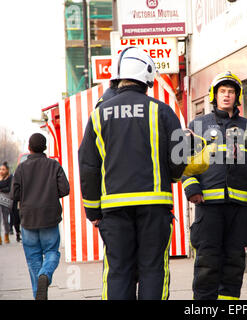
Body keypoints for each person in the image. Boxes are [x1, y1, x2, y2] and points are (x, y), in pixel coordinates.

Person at [78, 46, 187, 300]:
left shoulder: (97, 116)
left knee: (118, 272)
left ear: (117, 76)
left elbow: (88, 167)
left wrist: (93, 211)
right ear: (147, 76)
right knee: (153, 270)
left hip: (114, 211)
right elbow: (178, 160)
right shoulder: (162, 111)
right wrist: (171, 175)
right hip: (154, 208)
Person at [182, 71, 247, 300]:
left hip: (238, 208)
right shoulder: (198, 124)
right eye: (222, 91)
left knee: (234, 263)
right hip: (208, 206)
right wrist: (192, 188)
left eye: (231, 92)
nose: (227, 95)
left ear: (237, 96)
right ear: (214, 95)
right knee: (207, 263)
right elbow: (184, 162)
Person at [12, 133, 70, 300]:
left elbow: (14, 194)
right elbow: (65, 189)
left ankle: (38, 293)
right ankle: (46, 274)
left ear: (29, 148)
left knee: (33, 258)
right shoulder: (54, 165)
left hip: (28, 219)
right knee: (51, 251)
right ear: (45, 148)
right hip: (50, 218)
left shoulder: (21, 168)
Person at [0, 162, 12, 244]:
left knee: (5, 219)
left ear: (7, 170)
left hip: (6, 201)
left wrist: (1, 189)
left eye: (3, 169)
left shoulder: (10, 178)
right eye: (0, 169)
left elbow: (9, 188)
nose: (1, 171)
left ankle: (6, 235)